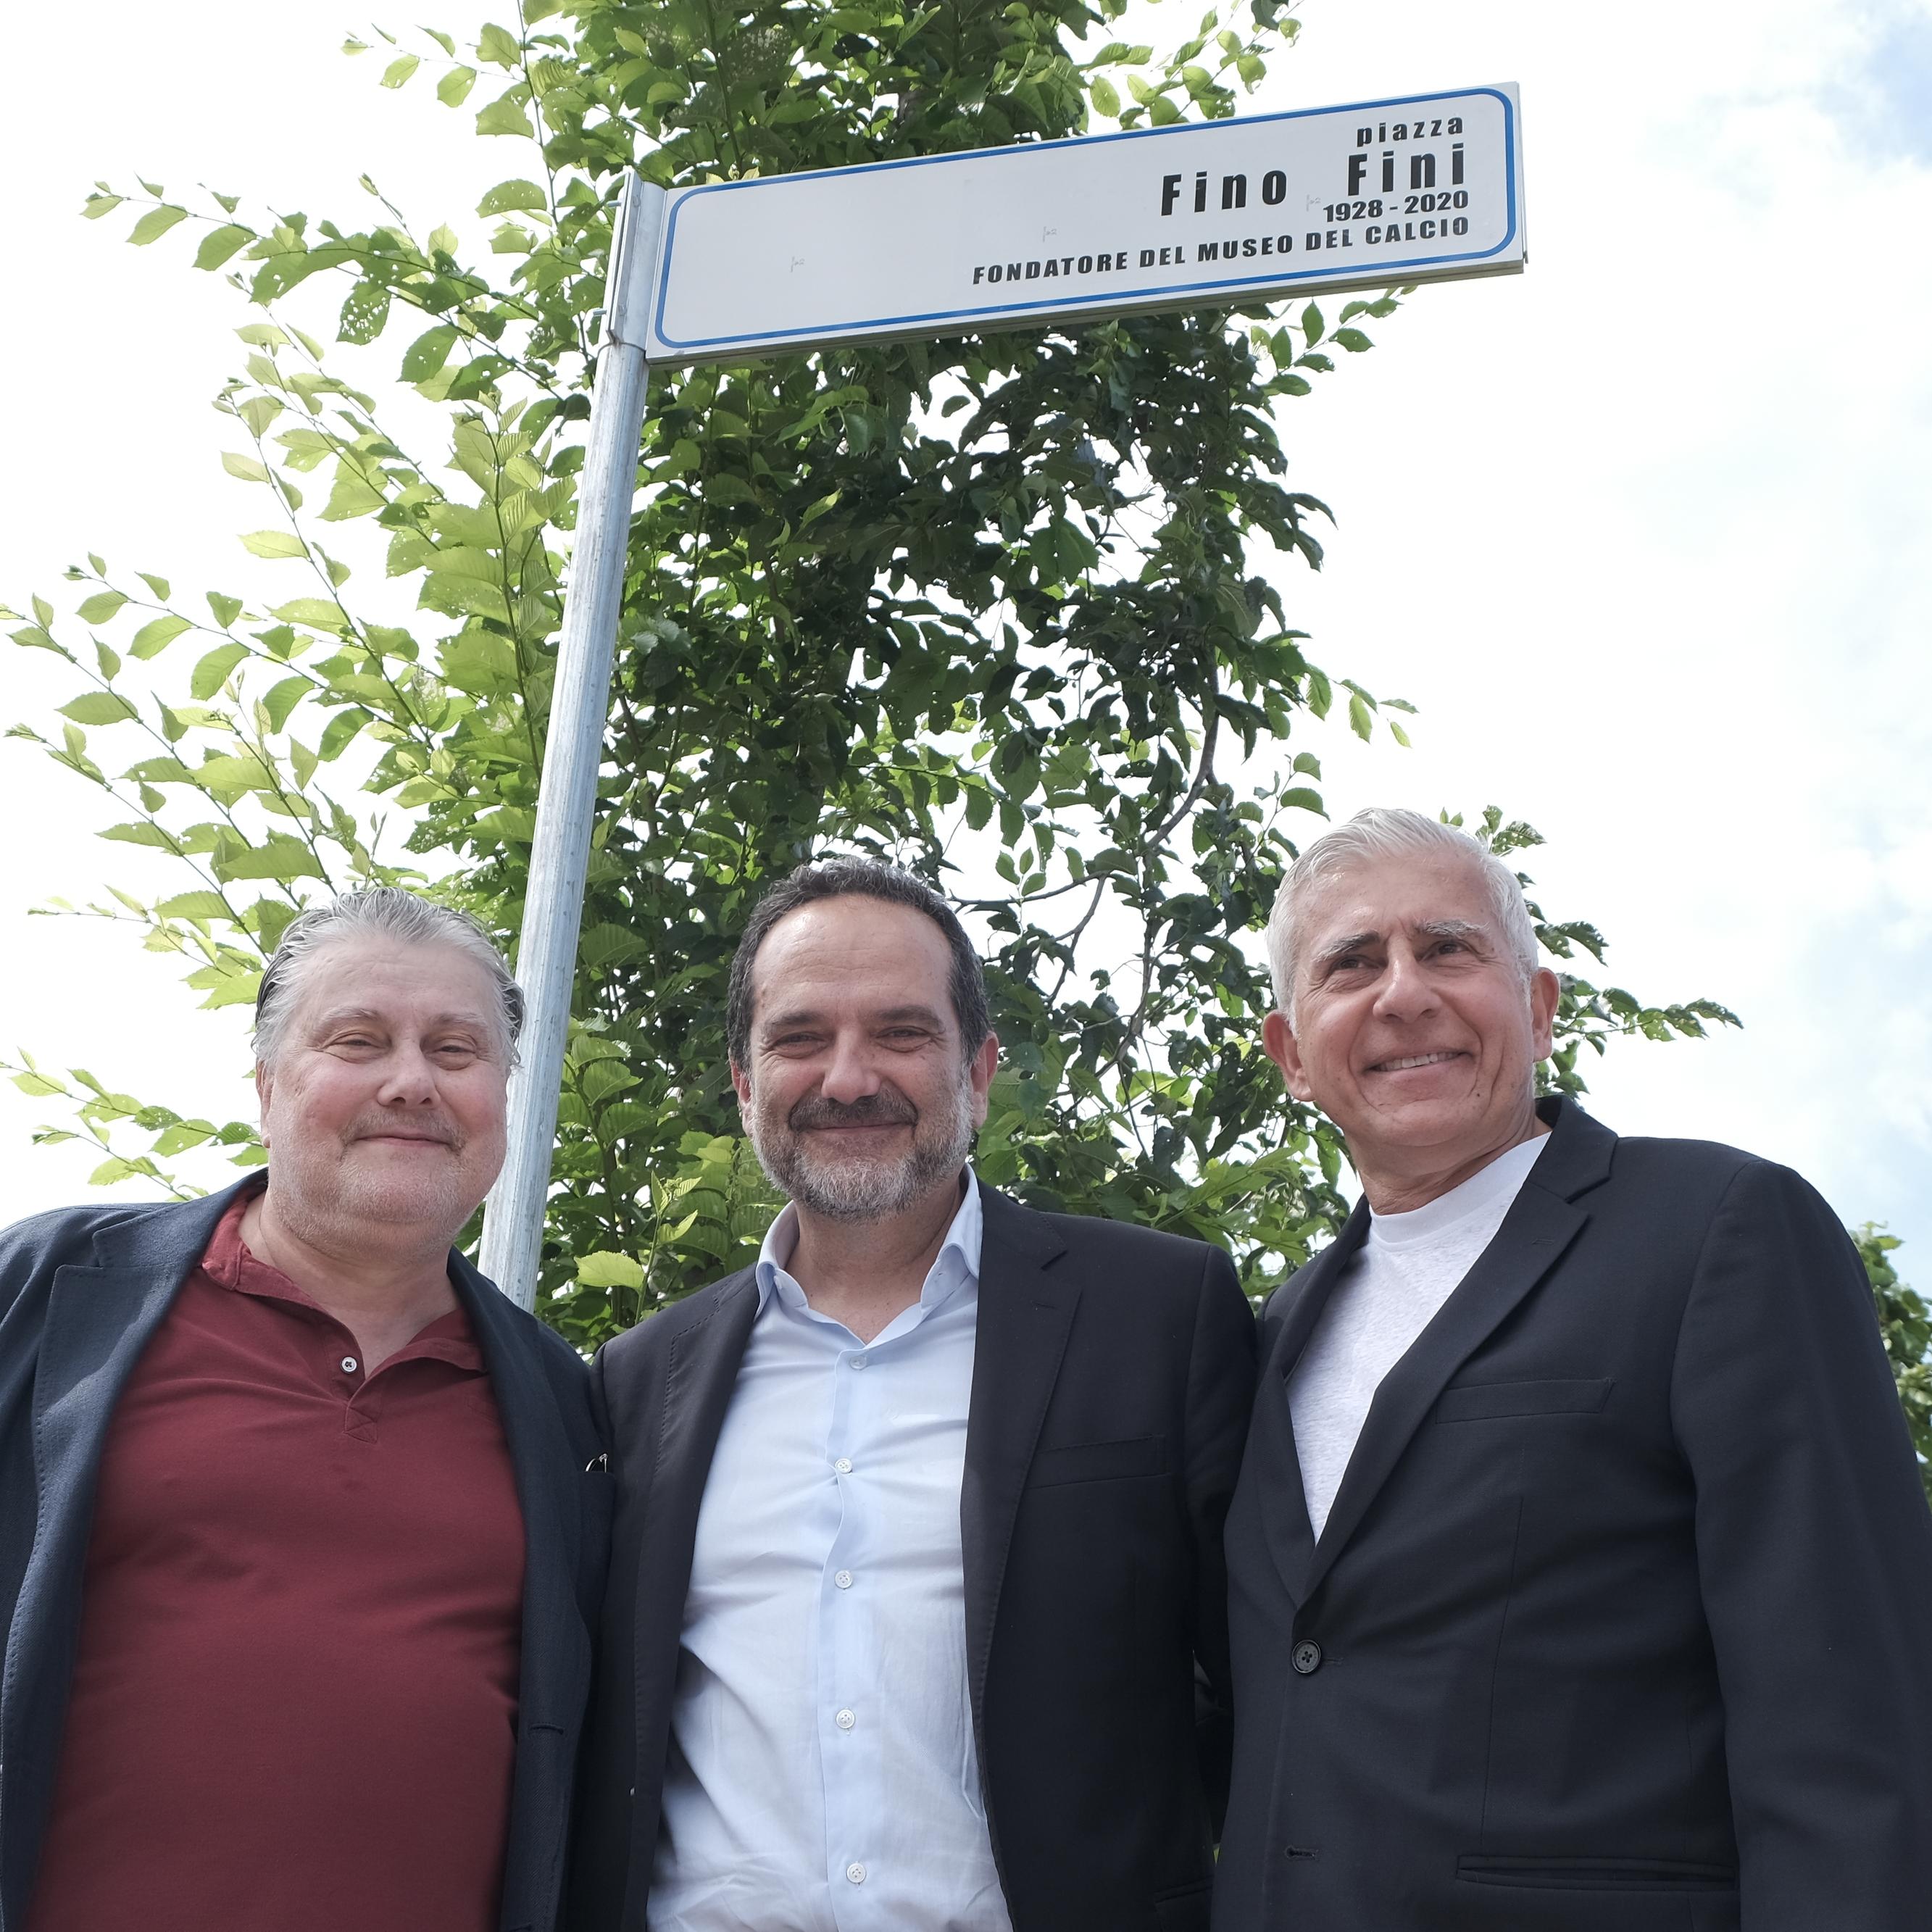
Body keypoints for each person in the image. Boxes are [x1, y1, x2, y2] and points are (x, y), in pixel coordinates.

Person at [1214, 807, 1932, 1932]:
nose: (1402, 992)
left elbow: (1850, 1724)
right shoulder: (1267, 1333)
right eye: (1350, 963)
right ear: (1292, 1054)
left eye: (1447, 948)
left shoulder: (1718, 1231)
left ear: (1539, 1006)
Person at [567, 857, 1256, 1932]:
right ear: (745, 1085)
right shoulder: (638, 1376)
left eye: (899, 1031)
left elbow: (1264, 1688)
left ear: (978, 1070)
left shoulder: (1158, 1313)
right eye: (799, 1038)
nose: (847, 1077)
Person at [0, 888, 608, 1932]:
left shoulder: (569, 1407)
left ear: (503, 1096)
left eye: (456, 1049)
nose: (411, 1081)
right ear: (268, 1083)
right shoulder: (51, 1290)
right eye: (359, 1040)